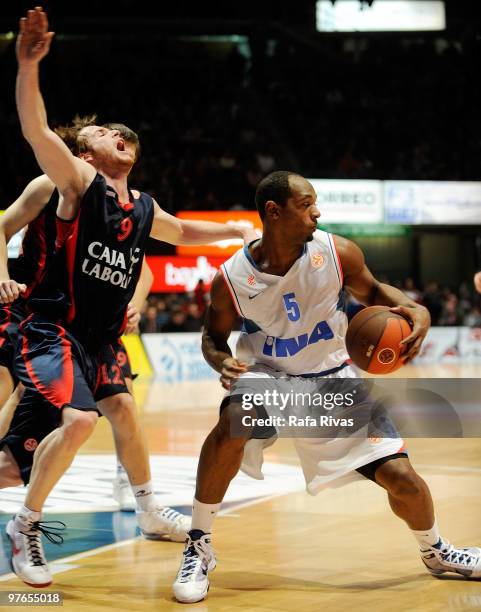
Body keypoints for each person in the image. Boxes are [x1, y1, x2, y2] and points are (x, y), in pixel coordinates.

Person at [4, 7, 256, 588]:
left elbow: (185, 232)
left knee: (122, 411)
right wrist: (27, 67)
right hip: (53, 327)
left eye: (114, 131)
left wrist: (237, 230)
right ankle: (27, 525)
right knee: (77, 421)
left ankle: (145, 507)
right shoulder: (75, 182)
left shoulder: (142, 206)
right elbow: (37, 132)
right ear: (86, 154)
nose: (110, 133)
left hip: (103, 336)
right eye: (96, 133)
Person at [172, 171, 481, 603]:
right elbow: (211, 337)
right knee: (234, 422)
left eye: (315, 201)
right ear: (273, 212)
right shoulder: (233, 278)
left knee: (402, 477)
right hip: (270, 376)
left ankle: (437, 551)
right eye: (306, 203)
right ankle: (199, 544)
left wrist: (411, 307)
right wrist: (223, 361)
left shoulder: (337, 253)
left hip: (333, 378)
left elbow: (374, 290)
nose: (316, 211)